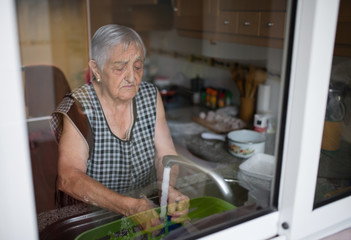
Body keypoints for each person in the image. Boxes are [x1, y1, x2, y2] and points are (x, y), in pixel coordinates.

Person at [51, 24, 189, 230]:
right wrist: (130, 207)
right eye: (120, 67)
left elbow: (165, 154)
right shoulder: (79, 107)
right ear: (96, 68)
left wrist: (168, 188)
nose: (132, 77)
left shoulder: (150, 96)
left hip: (145, 209)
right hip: (91, 219)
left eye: (137, 66)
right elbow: (69, 177)